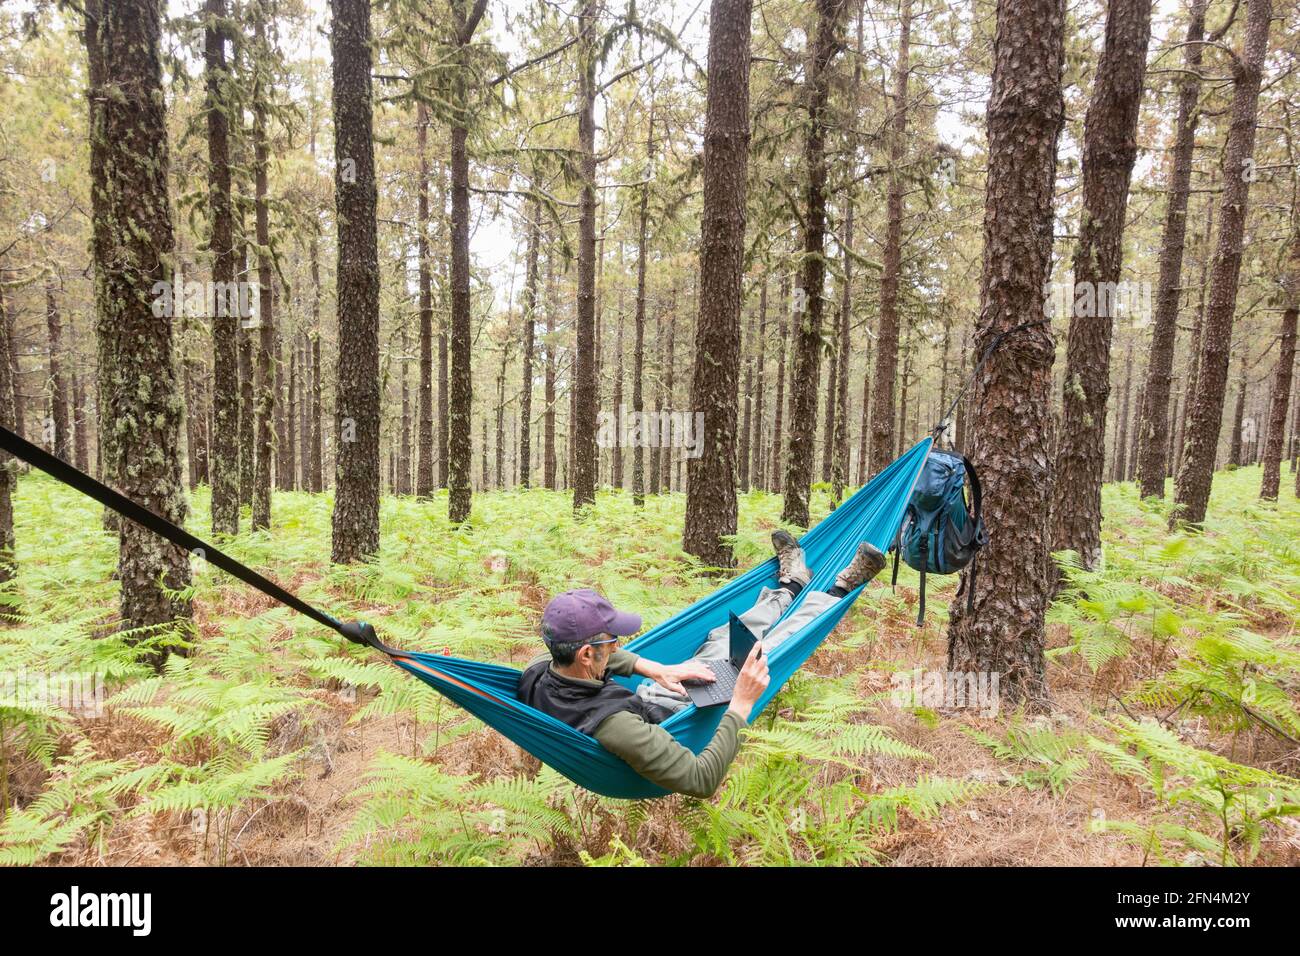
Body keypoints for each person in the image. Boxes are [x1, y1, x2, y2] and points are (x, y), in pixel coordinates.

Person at [518, 532, 886, 798]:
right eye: (612, 639)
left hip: (659, 690)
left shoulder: (537, 671)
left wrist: (653, 668)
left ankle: (790, 587)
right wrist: (740, 704)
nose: (619, 644)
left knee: (722, 637)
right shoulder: (618, 729)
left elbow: (588, 659)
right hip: (678, 714)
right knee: (764, 653)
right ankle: (837, 590)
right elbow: (701, 780)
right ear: (586, 655)